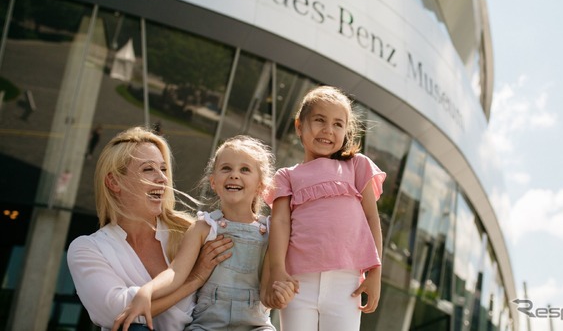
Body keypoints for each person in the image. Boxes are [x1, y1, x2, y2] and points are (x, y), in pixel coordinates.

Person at [113, 135, 297, 331]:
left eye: (245, 169)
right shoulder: (204, 227)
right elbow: (176, 272)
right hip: (206, 326)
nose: (234, 175)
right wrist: (146, 292)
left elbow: (268, 291)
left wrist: (279, 296)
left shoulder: (269, 232)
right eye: (226, 168)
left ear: (261, 185)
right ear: (213, 182)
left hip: (255, 325)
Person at [67, 126, 233, 331]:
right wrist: (193, 281)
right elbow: (117, 313)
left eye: (163, 169)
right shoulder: (89, 248)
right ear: (114, 182)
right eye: (148, 169)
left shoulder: (193, 234)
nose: (162, 178)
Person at [266, 85, 386, 331]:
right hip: (298, 283)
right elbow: (279, 223)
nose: (328, 130)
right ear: (299, 126)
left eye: (338, 124)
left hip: (347, 285)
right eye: (319, 120)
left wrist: (375, 272)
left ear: (346, 131)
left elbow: (372, 219)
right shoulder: (286, 176)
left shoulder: (356, 166)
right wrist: (277, 269)